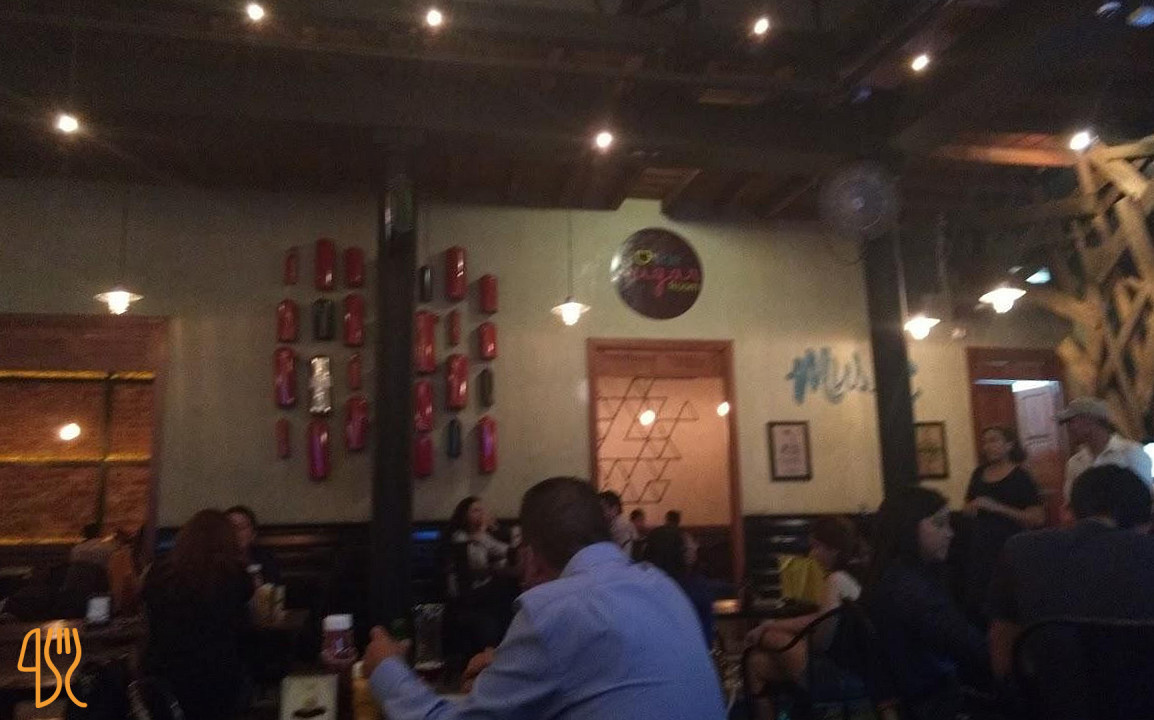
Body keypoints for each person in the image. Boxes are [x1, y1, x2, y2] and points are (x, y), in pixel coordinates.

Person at [365, 476, 726, 720]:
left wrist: (386, 668)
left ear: (531, 556)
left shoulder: (554, 608)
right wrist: (510, 667)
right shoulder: (663, 587)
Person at [988, 465, 1154, 718]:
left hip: (1051, 708)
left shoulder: (1020, 551)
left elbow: (1002, 654)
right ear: (1145, 523)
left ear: (1068, 510)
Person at [866, 487, 988, 720]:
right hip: (938, 704)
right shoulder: (910, 588)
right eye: (940, 524)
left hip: (916, 699)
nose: (950, 533)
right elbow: (969, 646)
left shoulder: (890, 575)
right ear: (908, 527)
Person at [744, 517, 865, 720]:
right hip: (843, 665)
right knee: (755, 663)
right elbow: (822, 619)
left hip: (838, 670)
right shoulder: (852, 576)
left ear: (833, 549)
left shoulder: (836, 580)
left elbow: (821, 638)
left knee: (768, 636)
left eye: (816, 547)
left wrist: (770, 628)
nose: (811, 554)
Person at [142, 509, 254, 720]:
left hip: (165, 682)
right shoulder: (234, 575)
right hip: (218, 682)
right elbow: (243, 626)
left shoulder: (159, 572)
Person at [961, 427, 1043, 623]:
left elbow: (1037, 518)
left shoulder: (1021, 476)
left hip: (1009, 547)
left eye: (994, 440)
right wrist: (970, 508)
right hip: (980, 549)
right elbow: (966, 506)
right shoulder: (978, 474)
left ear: (1009, 445)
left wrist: (997, 507)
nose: (988, 446)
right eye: (985, 442)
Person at [445, 496, 517, 653]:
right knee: (503, 591)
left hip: (483, 593)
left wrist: (497, 532)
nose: (482, 514)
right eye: (476, 510)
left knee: (510, 590)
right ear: (464, 515)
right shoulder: (459, 538)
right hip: (465, 596)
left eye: (483, 510)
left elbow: (506, 552)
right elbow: (478, 565)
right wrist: (483, 530)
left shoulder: (482, 536)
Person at [1058, 396, 1152, 499]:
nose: (1069, 428)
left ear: (1089, 420)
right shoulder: (1075, 463)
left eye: (1072, 422)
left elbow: (1143, 498)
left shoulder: (1131, 452)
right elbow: (1071, 502)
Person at [641, 524, 715, 643]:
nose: (696, 546)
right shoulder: (693, 589)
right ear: (679, 552)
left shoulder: (643, 586)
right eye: (690, 543)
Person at [226, 505, 282, 587]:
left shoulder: (265, 558)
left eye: (243, 527)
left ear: (253, 533)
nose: (236, 532)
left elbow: (275, 589)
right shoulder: (216, 563)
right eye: (232, 527)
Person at [599, 490, 637, 556]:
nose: (600, 513)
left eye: (603, 509)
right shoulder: (621, 522)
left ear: (614, 509)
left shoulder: (620, 525)